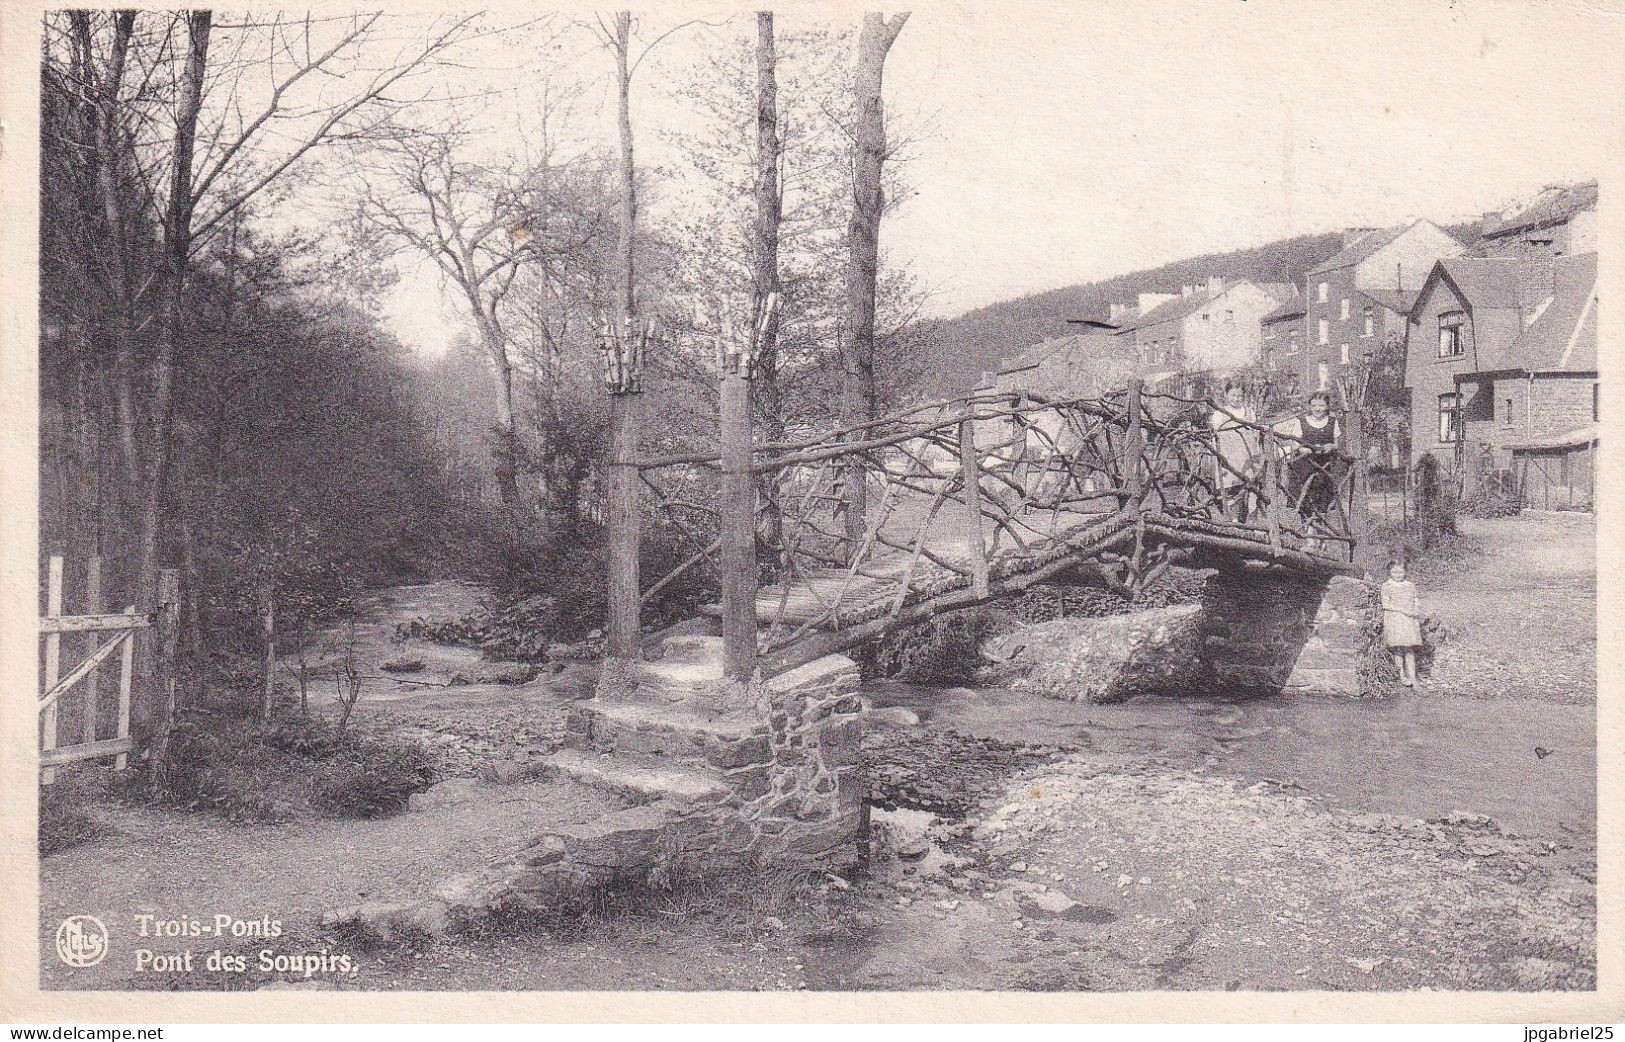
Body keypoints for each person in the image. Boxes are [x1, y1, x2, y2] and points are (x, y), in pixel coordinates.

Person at [1286, 391, 1344, 539]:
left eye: (1321, 405)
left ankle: (1320, 539)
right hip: (1304, 467)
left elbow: (1337, 444)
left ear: (1327, 406)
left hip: (1324, 467)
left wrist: (1331, 446)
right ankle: (1308, 538)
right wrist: (1303, 448)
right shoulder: (1301, 421)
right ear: (1310, 407)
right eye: (1314, 405)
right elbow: (1294, 444)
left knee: (1321, 504)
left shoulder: (1332, 422)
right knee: (1305, 502)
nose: (1318, 409)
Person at [1209, 382, 1261, 522]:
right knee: (1232, 495)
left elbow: (1255, 436)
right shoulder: (1219, 414)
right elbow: (1214, 439)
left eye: (1239, 395)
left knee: (1251, 494)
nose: (1236, 398)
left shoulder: (1249, 413)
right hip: (1229, 461)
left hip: (1248, 460)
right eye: (1233, 395)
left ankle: (1252, 528)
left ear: (1243, 396)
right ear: (1226, 395)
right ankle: (1234, 526)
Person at [1381, 559, 1422, 687]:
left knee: (1409, 649)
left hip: (1409, 619)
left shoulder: (1410, 585)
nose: (1398, 575)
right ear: (1390, 572)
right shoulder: (1387, 586)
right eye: (1395, 572)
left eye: (1400, 572)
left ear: (1405, 572)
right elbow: (1385, 604)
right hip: (1395, 618)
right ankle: (1402, 676)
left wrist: (1415, 609)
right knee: (1398, 648)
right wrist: (1402, 610)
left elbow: (1415, 599)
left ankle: (1413, 678)